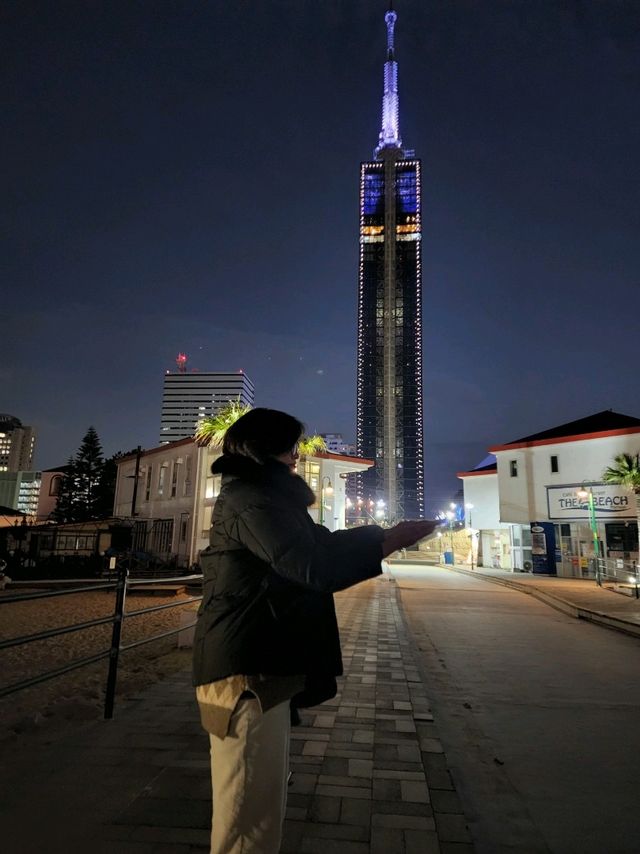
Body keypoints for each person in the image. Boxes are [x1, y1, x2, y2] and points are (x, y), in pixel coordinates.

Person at [192, 408, 437, 854]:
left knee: (258, 810)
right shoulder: (253, 499)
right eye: (290, 447)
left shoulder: (265, 498)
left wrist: (386, 535)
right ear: (263, 450)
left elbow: (318, 543)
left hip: (263, 666)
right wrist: (391, 541)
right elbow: (312, 566)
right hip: (246, 672)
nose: (295, 457)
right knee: (247, 821)